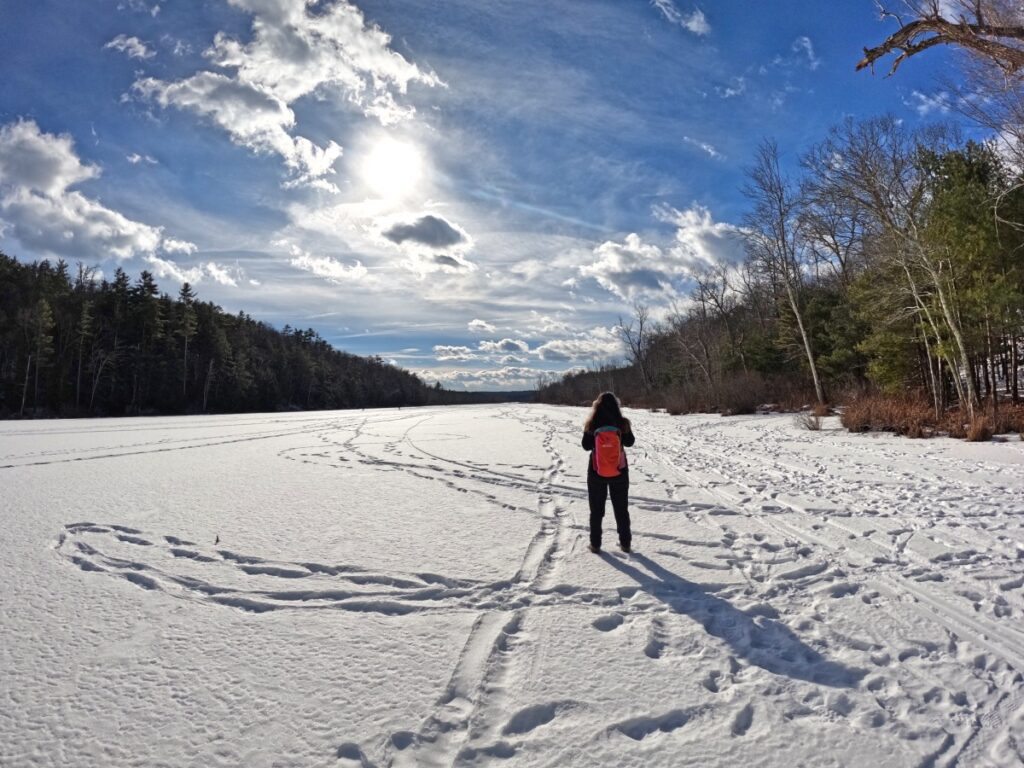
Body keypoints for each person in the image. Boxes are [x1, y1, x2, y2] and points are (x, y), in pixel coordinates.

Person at [581, 392, 634, 553]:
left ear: (597, 406)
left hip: (596, 471)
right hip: (620, 470)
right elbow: (630, 442)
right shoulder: (622, 422)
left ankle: (595, 544)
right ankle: (625, 544)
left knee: (596, 510)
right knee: (621, 509)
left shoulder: (592, 423)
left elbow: (585, 446)